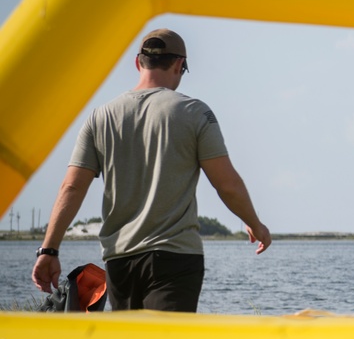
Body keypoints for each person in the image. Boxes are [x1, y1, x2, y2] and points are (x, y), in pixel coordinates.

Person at [31, 28, 271, 312]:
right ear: (179, 64)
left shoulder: (101, 116)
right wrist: (255, 224)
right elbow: (227, 183)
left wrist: (49, 250)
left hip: (119, 259)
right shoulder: (195, 112)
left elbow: (71, 187)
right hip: (175, 257)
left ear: (138, 63)